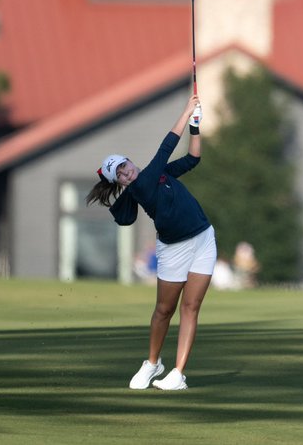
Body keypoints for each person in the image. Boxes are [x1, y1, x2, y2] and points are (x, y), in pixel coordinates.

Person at [87, 93, 212, 391]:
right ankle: (153, 362)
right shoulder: (140, 186)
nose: (127, 171)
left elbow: (193, 158)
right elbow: (166, 146)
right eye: (120, 174)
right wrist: (186, 109)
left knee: (191, 308)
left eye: (124, 165)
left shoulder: (159, 174)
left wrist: (195, 126)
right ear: (121, 183)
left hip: (204, 239)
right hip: (173, 250)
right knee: (164, 311)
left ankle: (178, 373)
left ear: (130, 161)